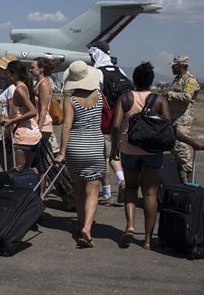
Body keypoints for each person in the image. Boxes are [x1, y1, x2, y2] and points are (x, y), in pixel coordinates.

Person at [110, 62, 204, 250]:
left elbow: (115, 125)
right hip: (152, 152)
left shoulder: (125, 98)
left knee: (130, 189)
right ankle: (147, 239)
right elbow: (169, 128)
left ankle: (129, 226)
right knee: (150, 192)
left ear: (134, 80)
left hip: (129, 150)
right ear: (151, 81)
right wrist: (193, 142)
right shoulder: (160, 100)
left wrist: (115, 147)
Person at [54, 60, 105, 248]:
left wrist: (62, 151)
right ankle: (87, 227)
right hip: (95, 145)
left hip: (76, 145)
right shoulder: (99, 96)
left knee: (78, 189)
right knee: (93, 191)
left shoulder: (70, 99)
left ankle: (80, 222)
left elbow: (67, 125)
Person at [89, 41, 129, 205]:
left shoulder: (97, 72)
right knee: (114, 152)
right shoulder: (120, 71)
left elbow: (95, 97)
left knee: (102, 156)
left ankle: (106, 193)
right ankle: (121, 180)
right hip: (122, 118)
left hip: (104, 119)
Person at [163, 55, 201, 183]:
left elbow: (187, 96)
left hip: (182, 119)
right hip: (173, 118)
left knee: (181, 147)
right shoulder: (177, 79)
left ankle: (187, 177)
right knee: (173, 147)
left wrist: (169, 94)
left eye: (174, 66)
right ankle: (179, 178)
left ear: (180, 66)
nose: (172, 68)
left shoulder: (190, 80)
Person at [1, 61, 41, 170]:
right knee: (26, 171)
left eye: (7, 73)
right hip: (32, 133)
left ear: (14, 74)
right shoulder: (23, 86)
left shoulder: (19, 89)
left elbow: (33, 111)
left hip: (23, 135)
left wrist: (12, 121)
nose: (6, 76)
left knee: (19, 172)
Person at [30, 57, 55, 185]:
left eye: (33, 67)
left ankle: (42, 191)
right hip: (39, 124)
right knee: (38, 160)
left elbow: (44, 108)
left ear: (41, 69)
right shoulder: (38, 82)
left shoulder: (44, 83)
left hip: (43, 126)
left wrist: (38, 129)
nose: (30, 69)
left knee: (41, 162)